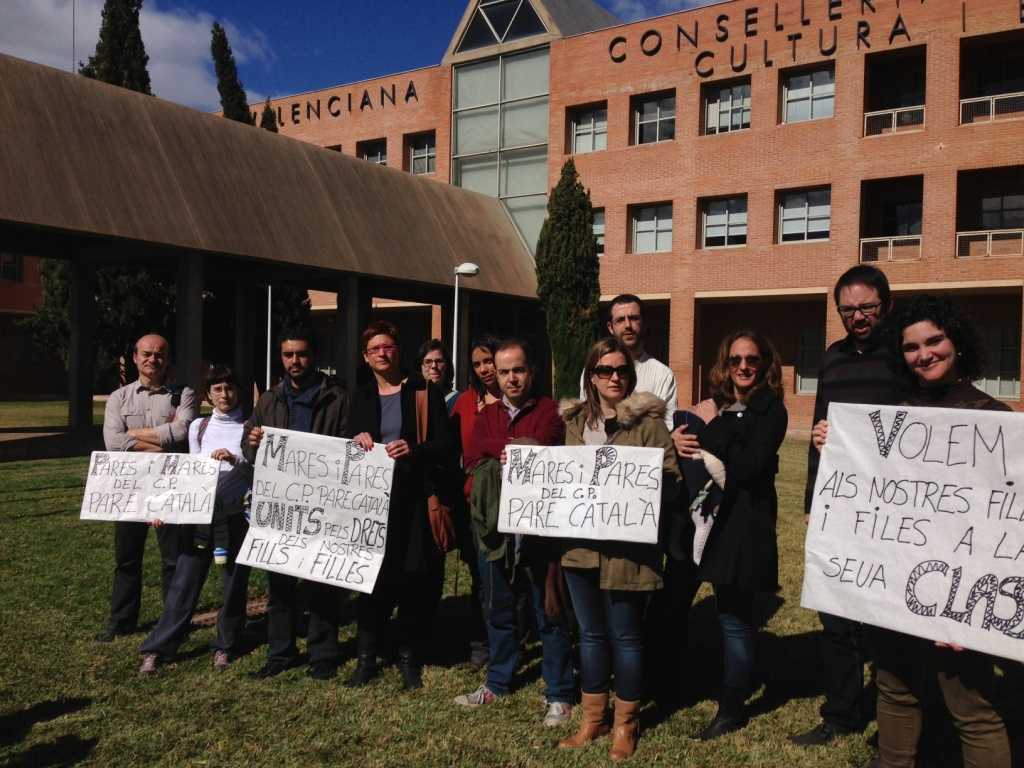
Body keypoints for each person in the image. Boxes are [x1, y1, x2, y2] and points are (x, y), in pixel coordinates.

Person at [818, 295, 1011, 768]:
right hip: (898, 585)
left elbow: (1003, 524)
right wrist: (836, 445)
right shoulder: (894, 416)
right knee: (894, 688)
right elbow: (874, 495)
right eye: (911, 347)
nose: (924, 354)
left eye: (934, 341)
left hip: (962, 593)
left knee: (973, 709)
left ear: (956, 342)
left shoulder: (995, 418)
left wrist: (973, 607)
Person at [790, 265, 910, 747]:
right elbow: (819, 431)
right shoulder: (832, 359)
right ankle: (841, 712)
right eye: (847, 310)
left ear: (887, 305)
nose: (857, 317)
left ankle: (895, 714)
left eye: (867, 307)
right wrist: (811, 499)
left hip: (893, 509)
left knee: (886, 619)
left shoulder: (904, 356)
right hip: (838, 505)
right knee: (835, 614)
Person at [558, 337, 681, 761]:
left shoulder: (648, 423)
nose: (614, 377)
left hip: (629, 551)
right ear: (591, 377)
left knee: (626, 637)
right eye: (605, 370)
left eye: (622, 370)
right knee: (590, 635)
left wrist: (644, 486)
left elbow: (672, 479)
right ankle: (593, 718)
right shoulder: (575, 422)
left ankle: (626, 723)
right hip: (580, 548)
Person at [454, 338, 575, 728]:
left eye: (518, 370)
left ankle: (559, 693)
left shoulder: (550, 411)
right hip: (494, 531)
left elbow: (546, 446)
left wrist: (508, 449)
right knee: (498, 608)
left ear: (531, 372)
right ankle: (498, 681)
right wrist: (512, 447)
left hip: (539, 529)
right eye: (504, 371)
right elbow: (474, 454)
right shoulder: (487, 414)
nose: (511, 378)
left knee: (549, 611)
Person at [676, 330, 788, 740]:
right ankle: (726, 691)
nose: (743, 367)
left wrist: (713, 429)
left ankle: (732, 708)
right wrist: (683, 437)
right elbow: (698, 450)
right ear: (725, 365)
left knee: (736, 620)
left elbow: (747, 467)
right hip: (718, 523)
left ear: (765, 365)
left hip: (747, 528)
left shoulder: (770, 410)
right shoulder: (725, 408)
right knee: (729, 615)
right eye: (735, 360)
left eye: (752, 360)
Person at [346, 320, 456, 691]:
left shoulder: (424, 392)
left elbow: (446, 445)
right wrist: (356, 439)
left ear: (398, 351)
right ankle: (366, 658)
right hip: (371, 505)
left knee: (411, 580)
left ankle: (409, 658)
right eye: (374, 349)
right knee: (370, 581)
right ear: (365, 357)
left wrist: (415, 449)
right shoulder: (360, 397)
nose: (382, 353)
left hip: (413, 504)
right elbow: (345, 445)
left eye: (388, 347)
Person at [243, 327, 350, 680]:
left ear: (313, 356)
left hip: (322, 502)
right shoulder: (269, 400)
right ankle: (280, 652)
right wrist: (253, 442)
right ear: (281, 357)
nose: (295, 361)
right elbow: (248, 446)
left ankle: (323, 653)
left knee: (321, 580)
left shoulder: (337, 397)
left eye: (301, 354)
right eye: (288, 355)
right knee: (280, 583)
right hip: (281, 503)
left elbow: (348, 443)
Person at [137, 365, 252, 673]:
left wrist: (235, 460)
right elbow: (191, 474)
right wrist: (167, 509)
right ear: (208, 395)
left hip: (236, 517)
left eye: (230, 388)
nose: (224, 395)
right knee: (184, 582)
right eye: (217, 389)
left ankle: (226, 645)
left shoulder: (249, 427)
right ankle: (158, 647)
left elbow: (256, 471)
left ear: (238, 391)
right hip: (201, 517)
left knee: (234, 585)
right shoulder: (198, 427)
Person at [98, 333, 196, 642]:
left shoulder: (184, 394)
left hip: (169, 486)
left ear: (167, 359)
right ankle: (121, 621)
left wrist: (132, 435)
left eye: (159, 354)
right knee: (127, 558)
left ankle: (174, 621)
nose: (153, 359)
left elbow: (183, 432)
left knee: (173, 559)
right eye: (147, 353)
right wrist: (162, 442)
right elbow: (113, 443)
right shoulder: (119, 397)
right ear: (135, 357)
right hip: (130, 487)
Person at [449, 335, 503, 669]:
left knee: (509, 578)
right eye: (478, 364)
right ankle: (481, 644)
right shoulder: (465, 402)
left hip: (510, 502)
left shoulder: (515, 400)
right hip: (474, 503)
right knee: (481, 578)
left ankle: (511, 641)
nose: (484, 369)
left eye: (489, 361)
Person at [580, 294, 677, 429]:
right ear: (610, 327)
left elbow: (668, 428)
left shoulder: (662, 374)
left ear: (644, 323)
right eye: (620, 320)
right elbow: (587, 417)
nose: (628, 325)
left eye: (633, 318)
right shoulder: (596, 370)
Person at [417, 338, 459, 412]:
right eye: (428, 362)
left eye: (439, 361)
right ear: (420, 367)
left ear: (447, 366)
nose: (434, 366)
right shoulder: (414, 401)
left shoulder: (459, 401)